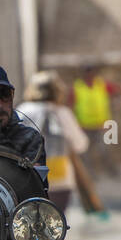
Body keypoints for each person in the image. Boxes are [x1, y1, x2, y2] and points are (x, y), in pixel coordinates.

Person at [16, 71, 89, 210]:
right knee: (57, 227)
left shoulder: (23, 111)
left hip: (31, 180)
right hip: (61, 182)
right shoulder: (63, 113)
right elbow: (81, 144)